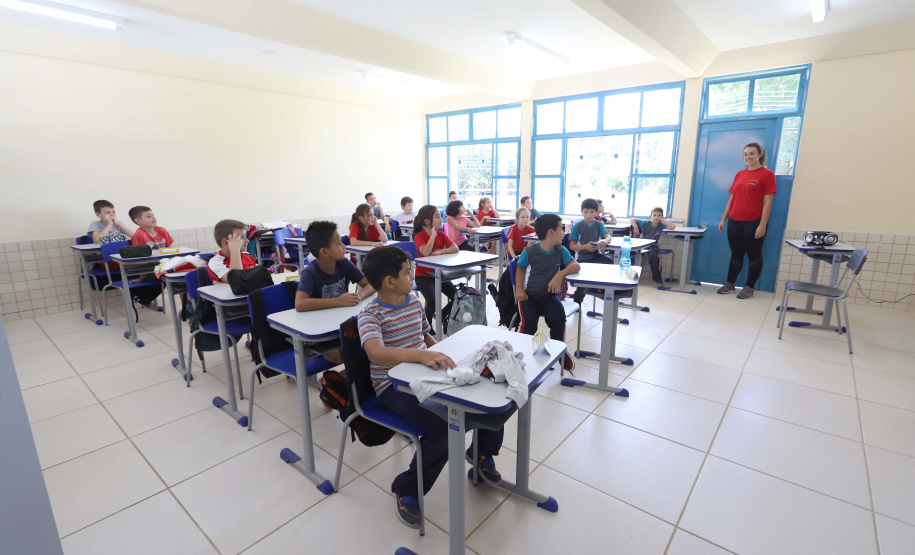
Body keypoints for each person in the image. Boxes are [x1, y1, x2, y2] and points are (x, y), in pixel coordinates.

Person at [358, 246, 504, 529]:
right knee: (443, 430)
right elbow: (376, 353)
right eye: (407, 271)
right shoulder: (371, 314)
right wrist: (421, 355)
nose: (412, 274)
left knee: (484, 394)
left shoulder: (412, 301)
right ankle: (408, 488)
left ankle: (482, 453)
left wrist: (446, 358)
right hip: (392, 387)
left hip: (425, 374)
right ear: (389, 281)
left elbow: (424, 336)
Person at [295, 221, 375, 364]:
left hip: (342, 324)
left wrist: (359, 296)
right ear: (324, 251)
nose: (344, 247)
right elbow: (300, 304)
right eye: (339, 244)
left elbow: (371, 284)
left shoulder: (343, 263)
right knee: (348, 355)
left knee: (369, 345)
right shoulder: (310, 272)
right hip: (319, 331)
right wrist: (338, 301)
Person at [514, 214, 578, 371]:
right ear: (551, 232)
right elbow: (520, 269)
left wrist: (560, 274)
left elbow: (575, 266)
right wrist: (520, 290)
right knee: (528, 325)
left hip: (549, 297)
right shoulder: (529, 251)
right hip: (529, 297)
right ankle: (521, 355)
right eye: (561, 229)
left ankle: (558, 352)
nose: (563, 232)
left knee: (558, 320)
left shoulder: (560, 250)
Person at [717, 142, 776, 299]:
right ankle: (730, 284)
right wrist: (724, 219)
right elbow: (732, 198)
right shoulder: (740, 175)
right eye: (745, 154)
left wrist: (762, 224)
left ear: (760, 154)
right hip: (735, 221)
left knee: (754, 255)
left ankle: (749, 287)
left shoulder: (767, 174)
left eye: (751, 153)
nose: (748, 157)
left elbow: (768, 202)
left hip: (754, 221)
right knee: (736, 254)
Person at [412, 204, 459, 330]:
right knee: (433, 301)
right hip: (423, 276)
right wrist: (432, 235)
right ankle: (426, 329)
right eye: (437, 216)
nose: (441, 219)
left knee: (458, 297)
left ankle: (442, 314)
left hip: (439, 273)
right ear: (427, 221)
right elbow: (426, 252)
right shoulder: (419, 236)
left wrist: (440, 252)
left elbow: (455, 248)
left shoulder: (442, 235)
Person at [570, 198, 612, 303]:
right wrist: (585, 246)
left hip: (596, 256)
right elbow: (572, 246)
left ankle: (605, 290)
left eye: (592, 212)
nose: (588, 214)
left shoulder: (598, 224)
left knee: (612, 263)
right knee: (581, 285)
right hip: (583, 258)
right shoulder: (577, 226)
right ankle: (577, 303)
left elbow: (608, 236)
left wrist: (605, 241)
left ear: (596, 212)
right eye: (586, 212)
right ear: (581, 212)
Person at [630, 207, 676, 285]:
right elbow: (632, 219)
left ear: (662, 217)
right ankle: (630, 276)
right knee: (632, 254)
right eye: (654, 215)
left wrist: (664, 220)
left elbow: (673, 227)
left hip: (653, 245)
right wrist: (635, 227)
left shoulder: (662, 225)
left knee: (653, 256)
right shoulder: (645, 223)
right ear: (650, 216)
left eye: (659, 215)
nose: (656, 217)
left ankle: (657, 279)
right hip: (642, 244)